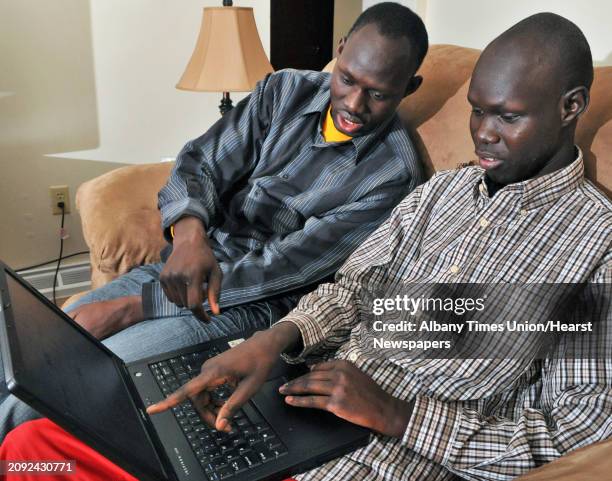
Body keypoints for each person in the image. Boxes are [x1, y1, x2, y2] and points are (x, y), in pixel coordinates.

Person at [3, 11, 611, 481]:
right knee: (34, 447)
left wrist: (401, 416)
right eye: (477, 112)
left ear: (570, 107)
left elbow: (579, 427)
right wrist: (275, 343)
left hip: (380, 453)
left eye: (505, 117)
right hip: (293, 402)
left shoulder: (597, 245)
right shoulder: (444, 193)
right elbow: (354, 289)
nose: (482, 133)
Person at [0, 3, 428, 439]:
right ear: (339, 53)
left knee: (58, 386)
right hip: (186, 264)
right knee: (22, 347)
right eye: (347, 78)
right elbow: (199, 164)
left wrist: (135, 307)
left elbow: (281, 270)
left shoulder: (394, 175)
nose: (353, 104)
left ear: (409, 87)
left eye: (378, 93)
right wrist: (188, 237)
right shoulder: (284, 90)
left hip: (249, 305)